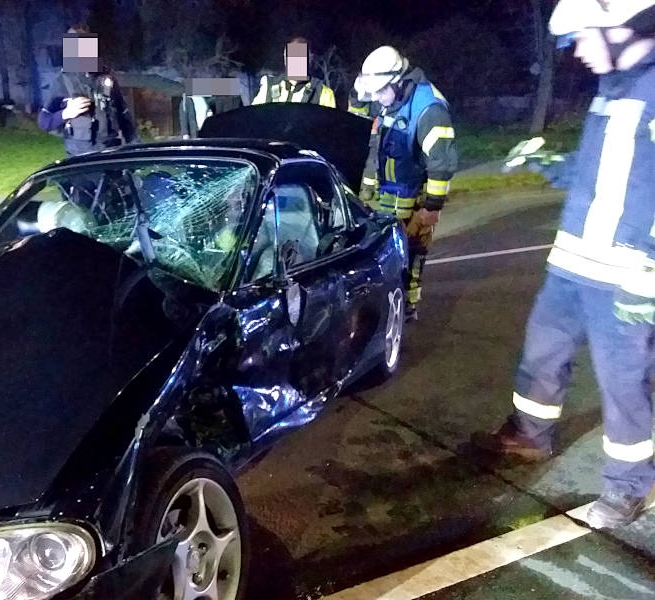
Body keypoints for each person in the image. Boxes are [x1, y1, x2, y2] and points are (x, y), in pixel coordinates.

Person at [472, 0, 655, 530]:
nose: (575, 52)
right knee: (542, 352)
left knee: (622, 384)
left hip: (628, 278)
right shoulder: (613, 91)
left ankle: (628, 487)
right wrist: (549, 164)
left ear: (621, 30)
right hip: (574, 265)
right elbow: (596, 172)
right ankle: (530, 435)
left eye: (581, 38)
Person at [348, 46, 458, 320]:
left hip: (414, 199)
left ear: (398, 82)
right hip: (385, 195)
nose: (377, 99)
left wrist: (432, 207)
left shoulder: (429, 109)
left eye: (380, 92)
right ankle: (384, 307)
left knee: (411, 254)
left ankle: (407, 308)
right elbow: (356, 122)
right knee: (381, 256)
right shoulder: (387, 95)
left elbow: (441, 164)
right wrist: (357, 95)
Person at [38, 24, 139, 156]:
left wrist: (136, 148)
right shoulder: (62, 80)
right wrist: (66, 113)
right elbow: (44, 121)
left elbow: (124, 116)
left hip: (111, 152)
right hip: (81, 157)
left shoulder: (106, 77)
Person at [251, 36, 336, 107]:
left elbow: (329, 125)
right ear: (285, 58)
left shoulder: (324, 93)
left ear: (310, 59)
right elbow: (254, 118)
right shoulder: (268, 86)